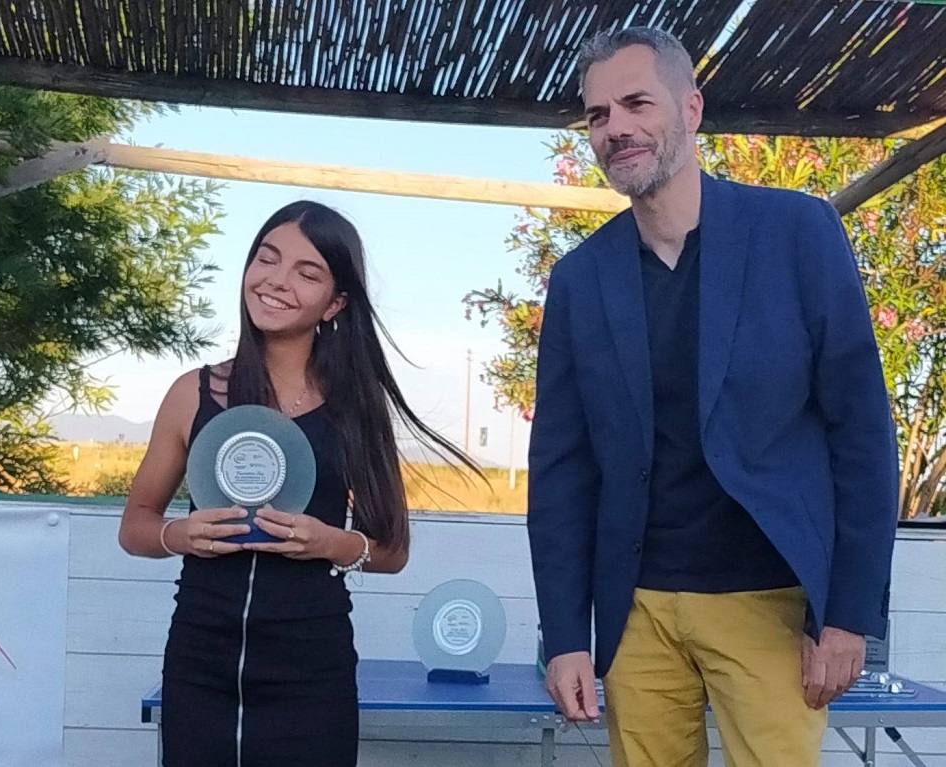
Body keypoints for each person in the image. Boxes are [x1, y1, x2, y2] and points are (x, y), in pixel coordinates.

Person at [527, 26, 899, 767]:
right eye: (598, 115)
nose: (616, 127)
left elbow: (861, 431)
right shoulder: (579, 280)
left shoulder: (797, 232)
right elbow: (562, 471)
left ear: (691, 109)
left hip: (771, 602)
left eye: (637, 103)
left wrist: (849, 616)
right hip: (636, 612)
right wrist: (565, 634)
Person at [119, 200, 477, 767]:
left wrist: (328, 542)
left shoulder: (357, 407)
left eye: (307, 273)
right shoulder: (193, 393)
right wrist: (179, 535)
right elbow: (135, 526)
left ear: (335, 303)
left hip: (312, 675)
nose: (277, 281)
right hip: (198, 665)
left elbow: (392, 552)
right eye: (267, 259)